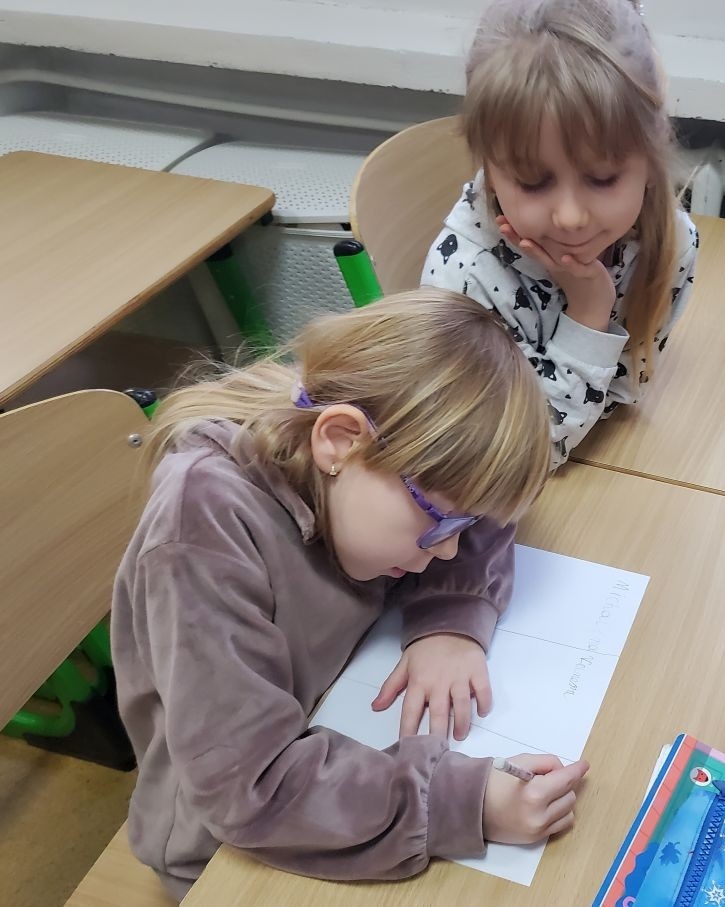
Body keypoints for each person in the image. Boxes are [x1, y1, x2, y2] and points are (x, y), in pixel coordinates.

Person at [111, 290, 589, 900]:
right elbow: (247, 785)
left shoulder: (360, 458)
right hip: (224, 850)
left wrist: (448, 613)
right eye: (438, 525)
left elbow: (481, 516)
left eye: (460, 529)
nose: (448, 550)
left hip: (332, 716)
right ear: (339, 440)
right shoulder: (203, 527)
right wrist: (460, 803)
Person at [421, 0, 698, 468]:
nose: (570, 218)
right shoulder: (463, 279)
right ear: (489, 168)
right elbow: (517, 458)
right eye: (533, 182)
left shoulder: (669, 241)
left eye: (602, 178)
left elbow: (622, 393)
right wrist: (588, 312)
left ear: (652, 163)